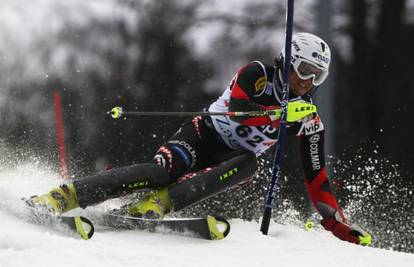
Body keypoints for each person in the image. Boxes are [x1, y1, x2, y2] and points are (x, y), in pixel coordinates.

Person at [29, 32, 372, 245]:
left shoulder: (308, 118)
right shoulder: (258, 75)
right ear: (289, 62)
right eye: (305, 71)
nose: (309, 82)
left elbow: (317, 177)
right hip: (202, 135)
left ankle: (156, 206)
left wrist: (337, 224)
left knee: (249, 164)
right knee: (162, 171)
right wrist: (278, 114)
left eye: (318, 76)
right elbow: (239, 107)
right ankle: (66, 194)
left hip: (229, 160)